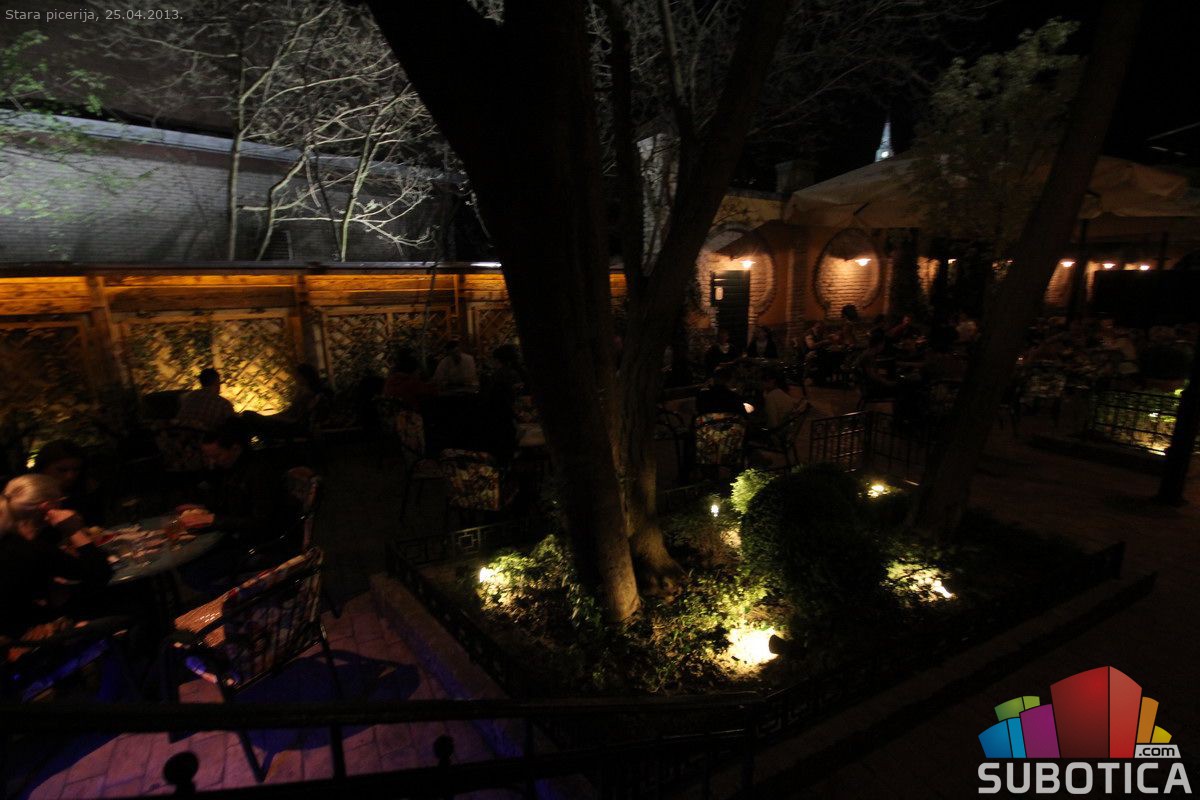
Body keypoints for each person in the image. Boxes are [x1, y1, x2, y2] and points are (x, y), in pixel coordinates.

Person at [0, 474, 112, 641]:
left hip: (16, 632)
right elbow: (101, 573)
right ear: (47, 507)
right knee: (124, 612)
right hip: (30, 643)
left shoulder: (11, 541)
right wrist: (74, 530)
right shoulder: (32, 549)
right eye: (60, 500)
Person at [179, 422, 288, 549]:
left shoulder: (259, 471)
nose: (212, 463)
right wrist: (202, 508)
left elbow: (262, 522)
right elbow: (231, 503)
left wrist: (212, 519)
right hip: (236, 533)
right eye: (208, 457)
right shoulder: (230, 467)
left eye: (216, 456)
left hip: (260, 543)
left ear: (236, 449)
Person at [244, 363, 329, 438]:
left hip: (290, 425)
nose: (295, 378)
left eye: (297, 375)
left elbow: (298, 417)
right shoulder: (302, 391)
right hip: (286, 421)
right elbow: (291, 411)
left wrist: (276, 418)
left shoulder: (310, 395)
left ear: (305, 376)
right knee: (248, 417)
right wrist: (276, 416)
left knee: (248, 416)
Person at [33, 439, 105, 524]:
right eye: (62, 470)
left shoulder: (88, 492)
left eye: (76, 469)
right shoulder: (31, 497)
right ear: (43, 469)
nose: (70, 476)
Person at [175, 367, 235, 433]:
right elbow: (233, 427)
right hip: (203, 437)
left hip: (178, 435)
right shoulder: (223, 404)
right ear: (216, 382)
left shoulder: (186, 397)